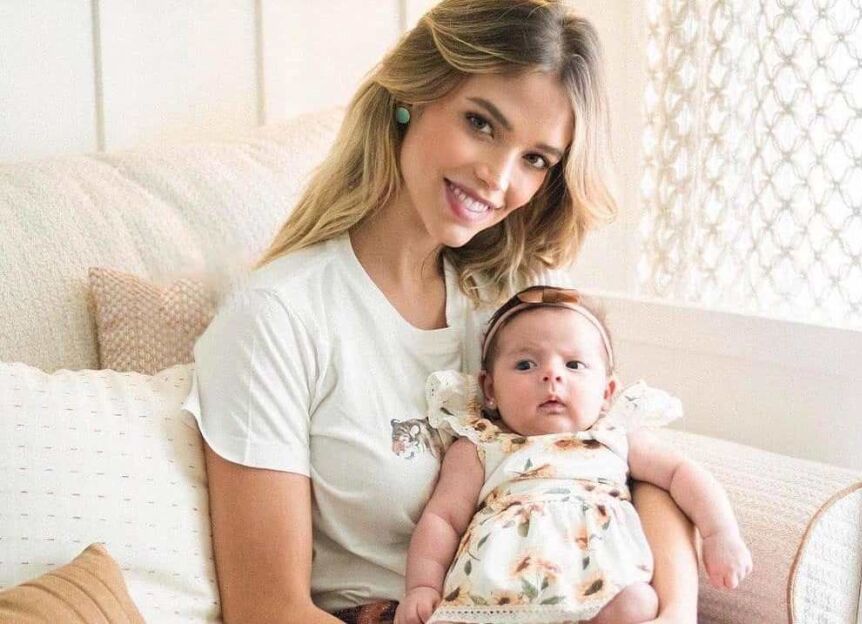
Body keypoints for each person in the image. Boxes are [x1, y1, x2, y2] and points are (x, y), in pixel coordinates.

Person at [182, 1, 701, 623]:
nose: (498, 178)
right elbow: (267, 609)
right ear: (412, 95)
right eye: (481, 123)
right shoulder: (276, 318)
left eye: (535, 159)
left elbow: (638, 468)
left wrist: (677, 612)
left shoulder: (521, 302)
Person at [396, 286, 752, 624]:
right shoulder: (480, 445)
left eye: (574, 365)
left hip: (600, 586)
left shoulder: (614, 437)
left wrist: (720, 532)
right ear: (490, 389)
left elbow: (680, 473)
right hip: (499, 598)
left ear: (607, 392)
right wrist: (422, 586)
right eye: (525, 365)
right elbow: (443, 519)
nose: (552, 375)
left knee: (638, 602)